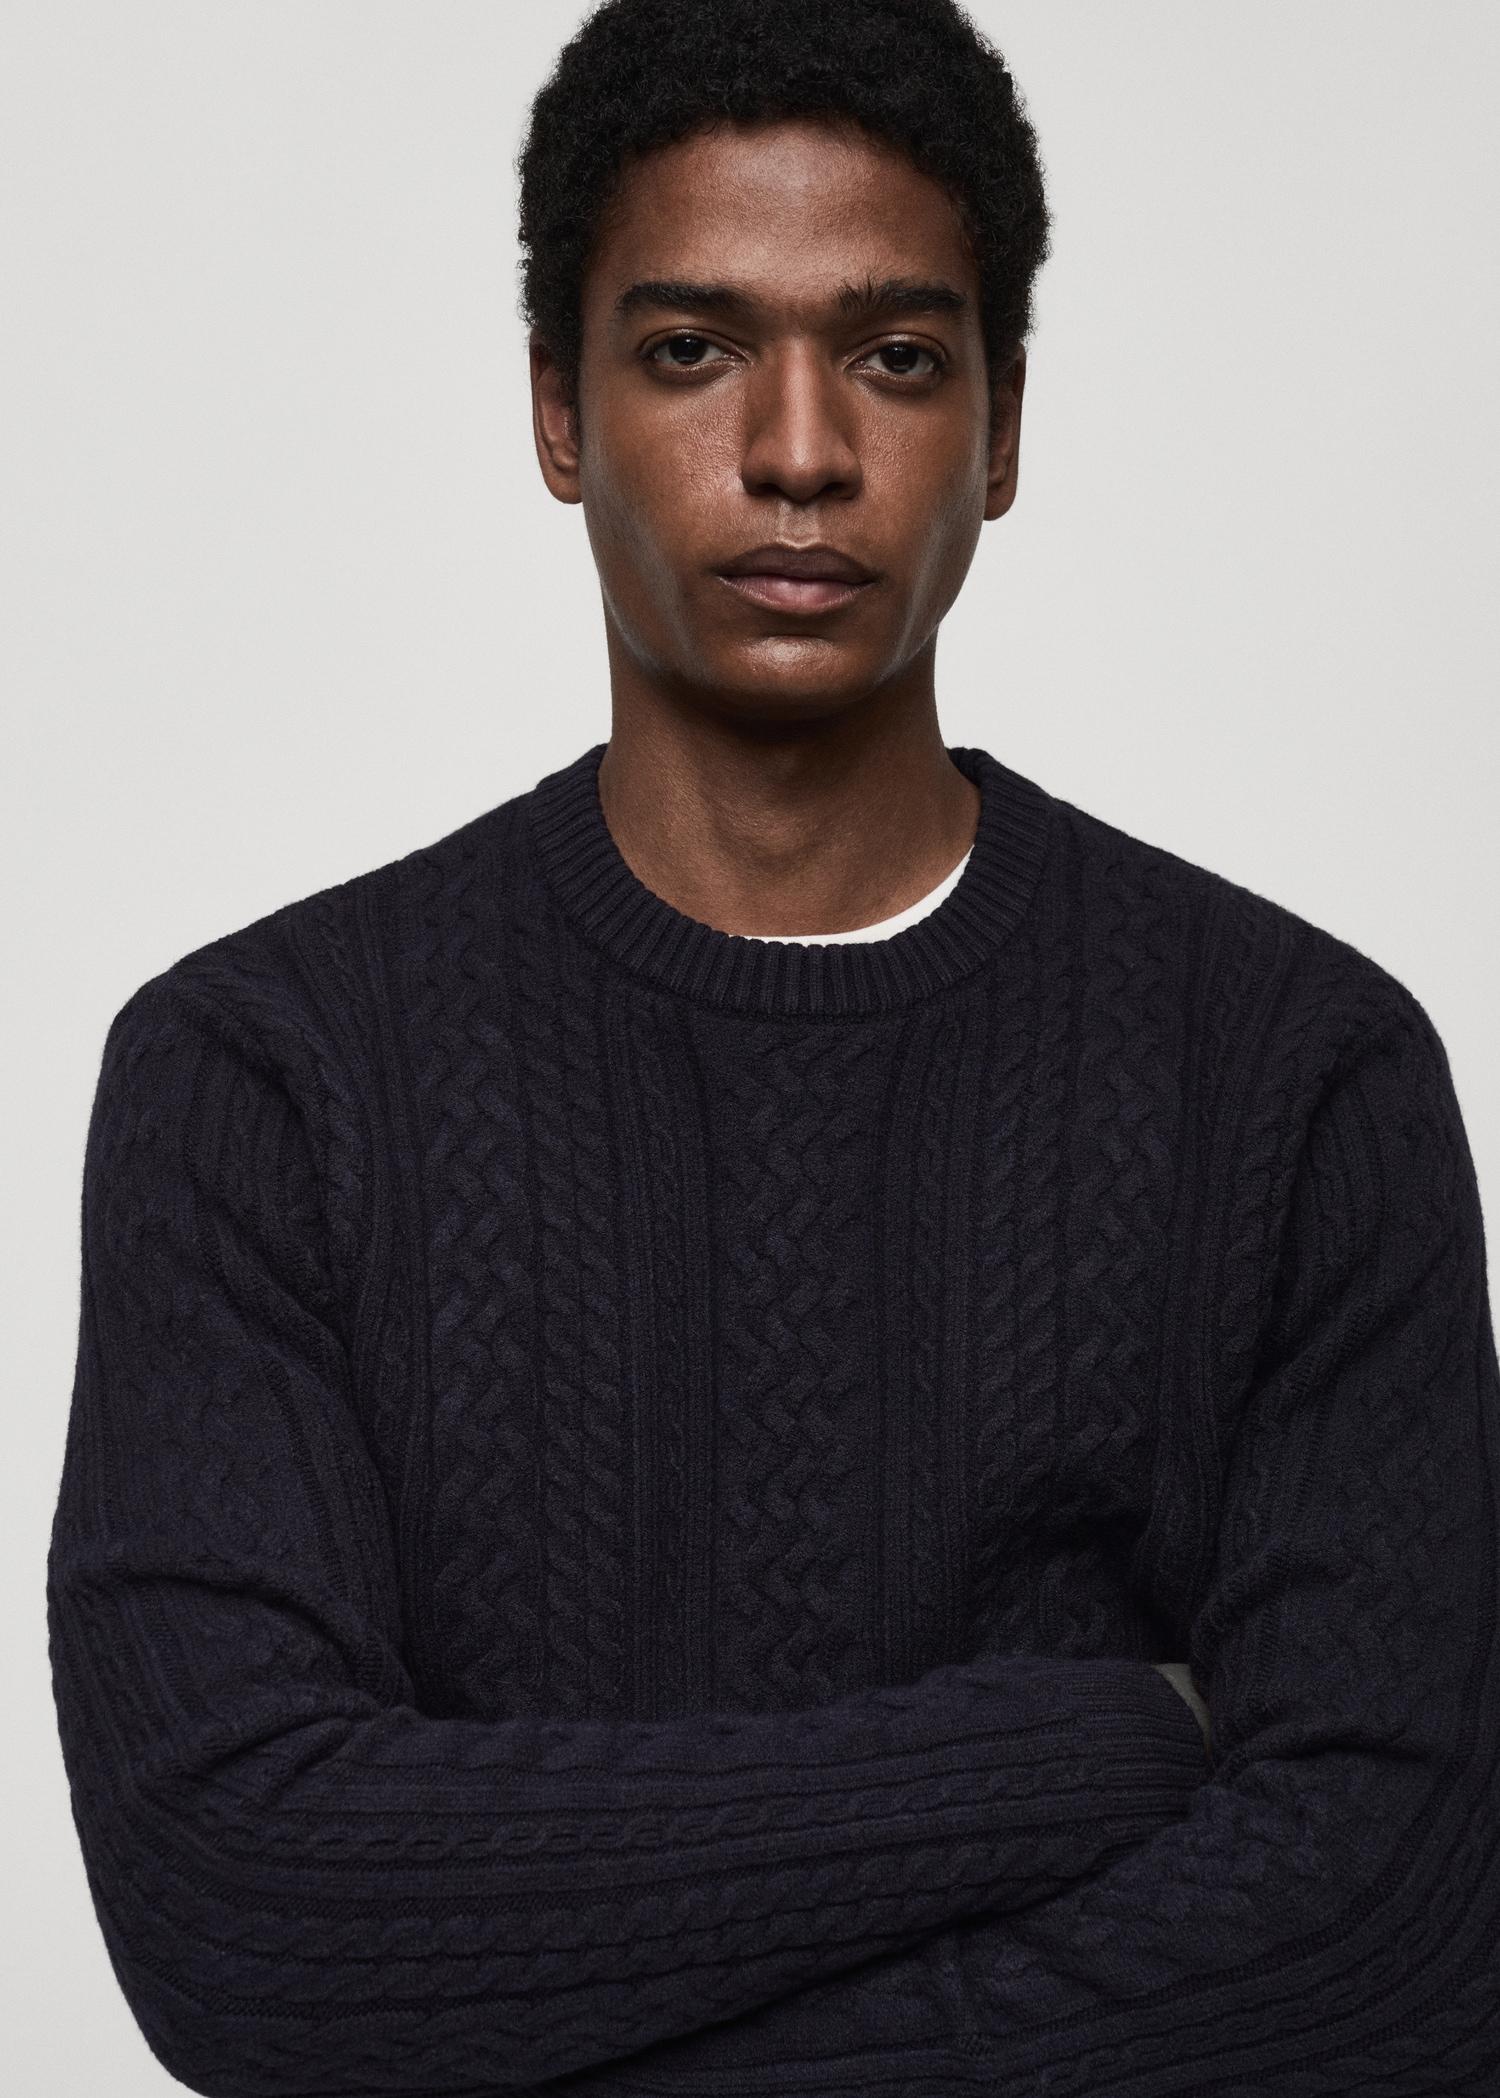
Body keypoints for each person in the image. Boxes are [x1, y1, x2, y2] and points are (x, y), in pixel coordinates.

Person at [46, 1, 1498, 2092]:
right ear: (558, 411)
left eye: (895, 355)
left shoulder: (1301, 1076)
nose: (801, 448)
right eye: (692, 349)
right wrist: (1096, 1742)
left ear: (1002, 427)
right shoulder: (260, 1080)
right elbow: (241, 1905)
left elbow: (1395, 1945)